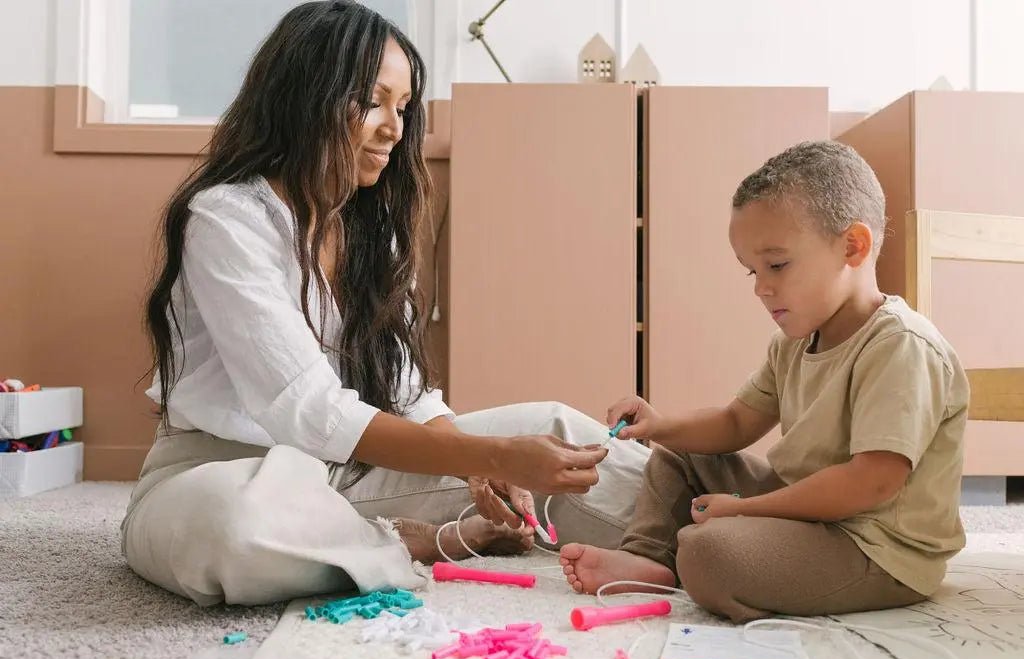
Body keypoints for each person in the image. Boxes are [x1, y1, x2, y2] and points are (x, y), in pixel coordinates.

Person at [122, 1, 648, 607]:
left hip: (352, 476)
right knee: (231, 527)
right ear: (306, 94)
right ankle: (410, 540)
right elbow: (306, 410)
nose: (395, 129)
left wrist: (480, 469)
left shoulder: (374, 231)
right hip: (223, 474)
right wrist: (490, 453)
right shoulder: (226, 219)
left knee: (553, 426)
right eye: (373, 101)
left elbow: (406, 392)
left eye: (403, 108)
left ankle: (724, 526)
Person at [560, 140, 969, 623]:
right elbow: (736, 422)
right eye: (752, 271)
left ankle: (685, 557)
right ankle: (649, 557)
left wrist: (743, 510)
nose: (761, 287)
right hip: (807, 511)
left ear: (853, 246)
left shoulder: (901, 345)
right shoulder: (795, 339)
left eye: (777, 265)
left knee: (707, 553)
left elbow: (872, 481)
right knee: (678, 451)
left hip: (874, 547)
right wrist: (658, 425)